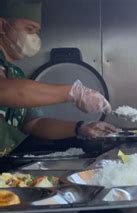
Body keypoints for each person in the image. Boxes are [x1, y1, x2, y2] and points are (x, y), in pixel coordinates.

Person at [0, 0, 116, 157]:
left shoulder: (15, 74)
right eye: (29, 29)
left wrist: (80, 128)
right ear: (2, 26)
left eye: (37, 32)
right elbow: (5, 91)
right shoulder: (11, 85)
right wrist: (74, 92)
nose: (34, 37)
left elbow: (34, 124)